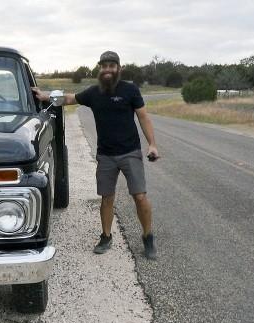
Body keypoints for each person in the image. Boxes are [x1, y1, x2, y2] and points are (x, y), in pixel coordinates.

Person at [32, 51, 159, 260]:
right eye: (104, 66)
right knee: (106, 198)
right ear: (99, 69)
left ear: (119, 68)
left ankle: (148, 237)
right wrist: (46, 96)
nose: (108, 69)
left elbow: (144, 117)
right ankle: (106, 236)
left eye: (112, 65)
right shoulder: (94, 93)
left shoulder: (130, 90)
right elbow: (69, 98)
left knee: (140, 196)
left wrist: (152, 145)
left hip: (130, 152)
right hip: (106, 155)